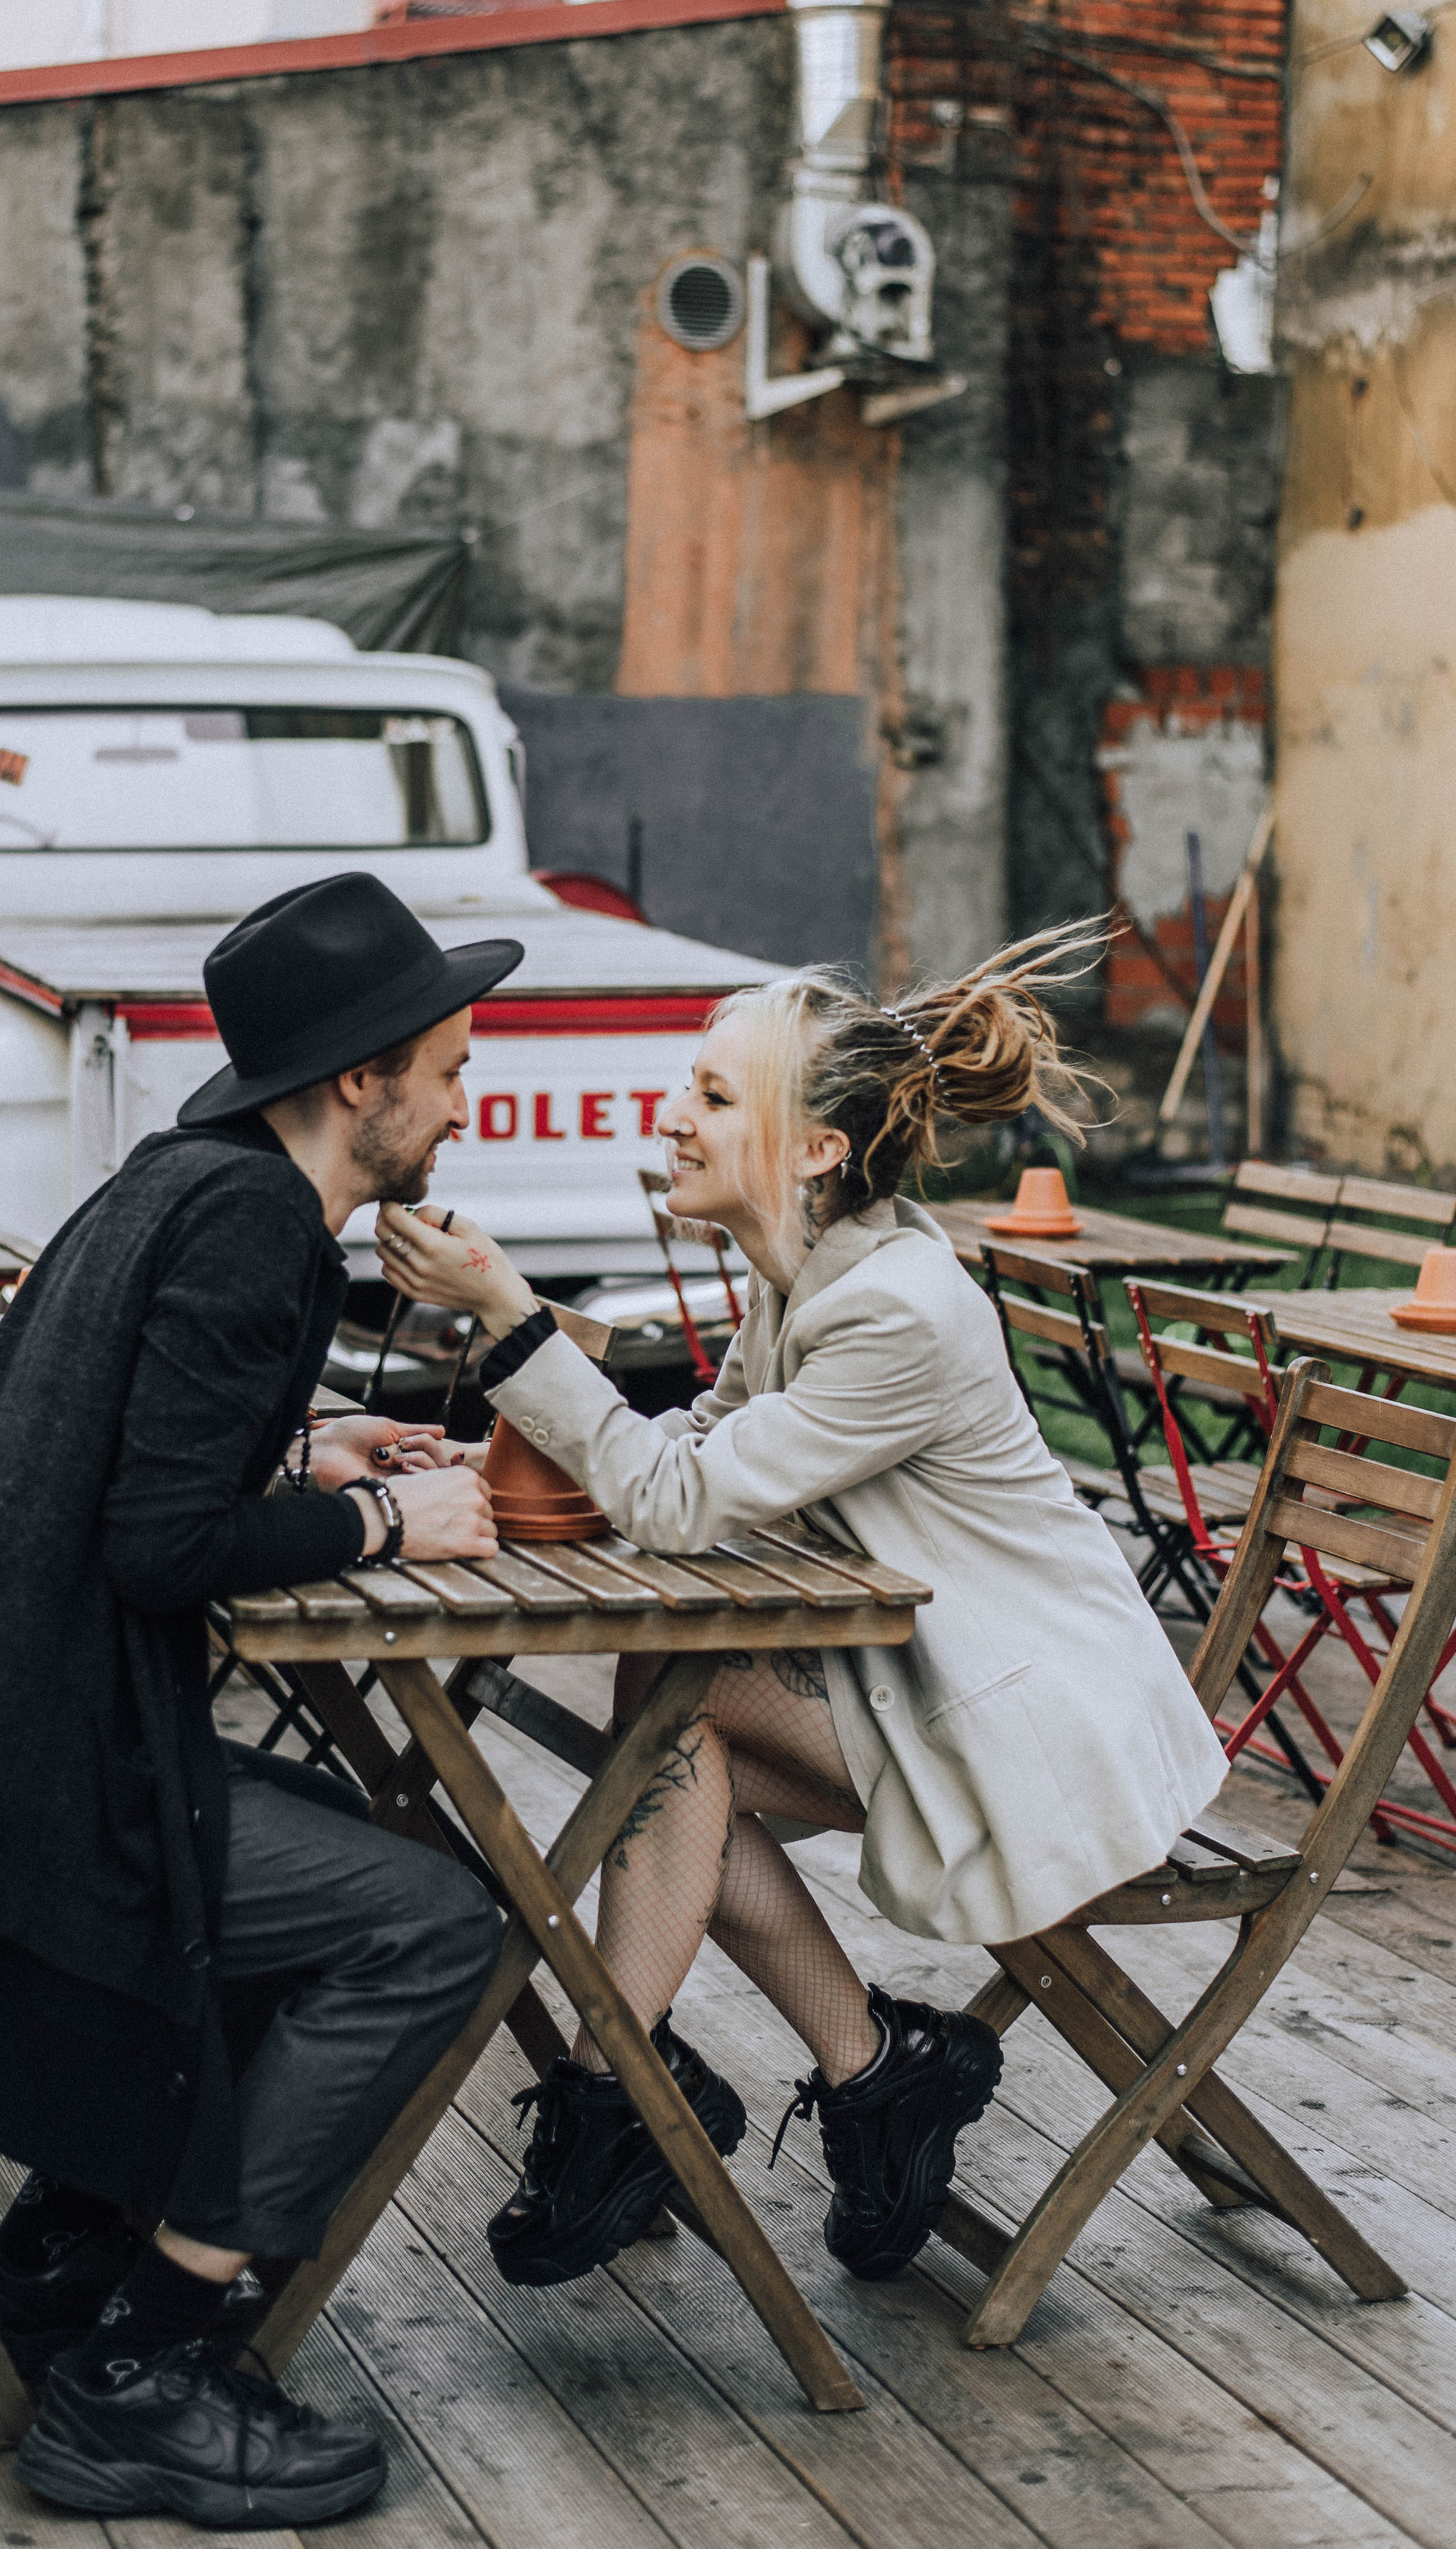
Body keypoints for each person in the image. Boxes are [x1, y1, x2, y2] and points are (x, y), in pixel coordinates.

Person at [0, 873, 517, 2530]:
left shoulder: (180, 1182)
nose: (460, 1093)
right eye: (445, 1060)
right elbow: (159, 1551)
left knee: (334, 1850)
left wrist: (303, 1453)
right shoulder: (256, 1223)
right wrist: (381, 1518)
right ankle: (147, 2364)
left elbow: (128, 1464)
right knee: (430, 1923)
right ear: (360, 1079)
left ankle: (61, 2256)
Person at [374, 929, 1229, 2293]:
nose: (674, 1113)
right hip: (933, 1686)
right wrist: (488, 1446)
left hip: (1046, 1729)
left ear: (818, 1149)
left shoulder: (896, 1313)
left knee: (670, 1712)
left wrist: (511, 1318)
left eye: (716, 1095)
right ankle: (843, 2071)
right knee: (673, 1732)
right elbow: (699, 1459)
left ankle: (637, 2101)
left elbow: (672, 1496)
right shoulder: (810, 1279)